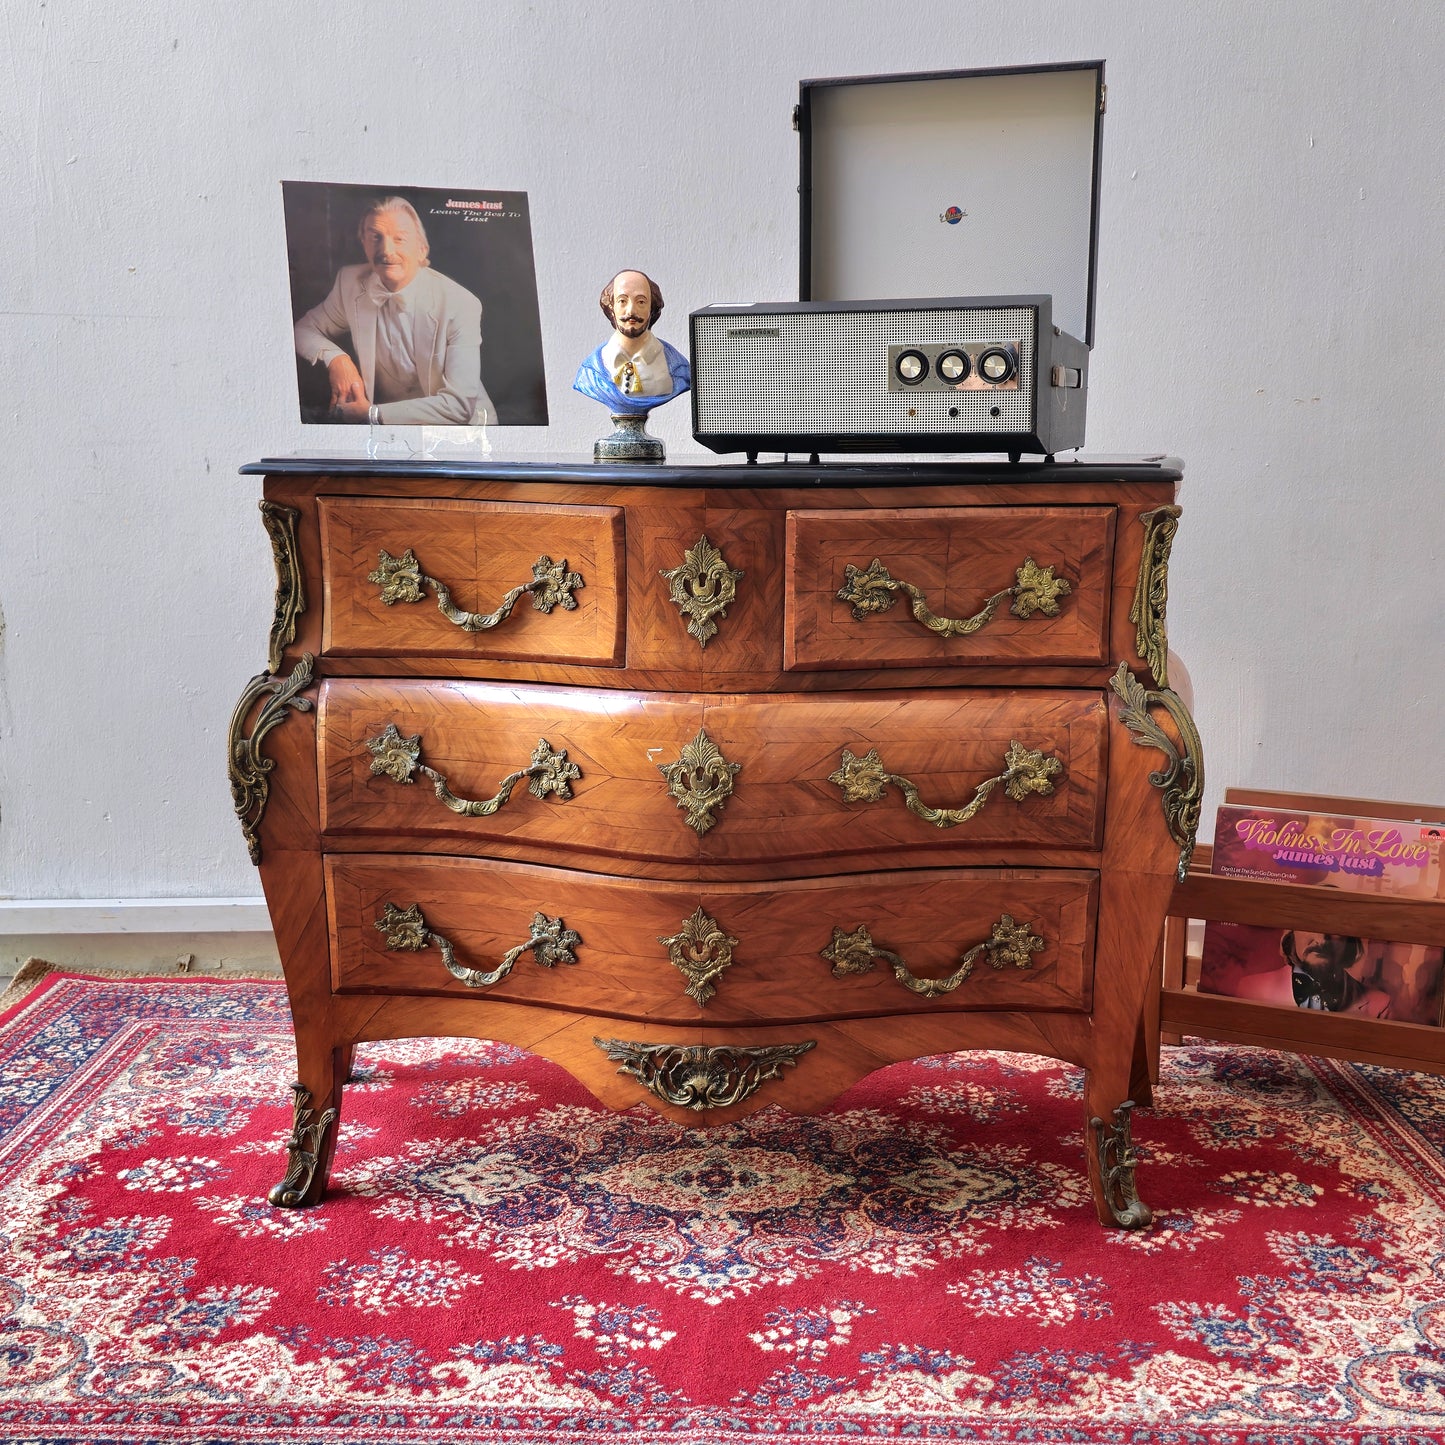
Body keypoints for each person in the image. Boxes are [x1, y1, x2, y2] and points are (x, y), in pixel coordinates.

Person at [293, 196, 496, 426]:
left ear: (421, 250)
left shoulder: (460, 303)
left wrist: (370, 414)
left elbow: (459, 408)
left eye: (399, 239)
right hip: (390, 436)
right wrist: (337, 359)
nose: (386, 250)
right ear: (364, 244)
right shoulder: (349, 283)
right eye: (375, 237)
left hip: (465, 434)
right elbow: (302, 330)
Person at [573, 269, 690, 415]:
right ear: (611, 306)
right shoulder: (591, 371)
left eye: (641, 302)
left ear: (652, 308)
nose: (631, 311)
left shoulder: (678, 367)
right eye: (622, 301)